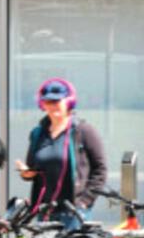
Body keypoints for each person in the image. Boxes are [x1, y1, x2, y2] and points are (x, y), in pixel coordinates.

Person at [16, 77, 106, 226]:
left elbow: (100, 170)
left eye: (57, 101)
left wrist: (85, 201)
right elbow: (33, 170)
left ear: (68, 102)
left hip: (74, 214)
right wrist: (26, 173)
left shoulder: (83, 131)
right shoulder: (38, 134)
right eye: (48, 102)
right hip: (45, 212)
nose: (52, 106)